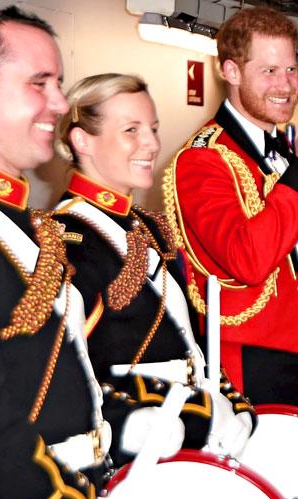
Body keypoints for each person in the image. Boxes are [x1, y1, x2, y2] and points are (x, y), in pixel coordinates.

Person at [0, 7, 146, 499]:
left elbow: (68, 378)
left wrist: (129, 423)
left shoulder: (29, 227)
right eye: (39, 84)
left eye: (59, 83)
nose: (59, 102)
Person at [52, 73, 256, 461]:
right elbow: (55, 374)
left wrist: (234, 404)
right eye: (132, 130)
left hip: (185, 439)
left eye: (153, 129)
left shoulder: (148, 228)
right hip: (127, 458)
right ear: (82, 141)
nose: (152, 143)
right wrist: (126, 421)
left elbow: (190, 344)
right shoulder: (64, 240)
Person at [162, 6, 298, 408]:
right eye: (270, 71)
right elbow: (248, 259)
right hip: (242, 367)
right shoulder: (201, 159)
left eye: (292, 69)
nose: (287, 84)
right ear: (232, 71)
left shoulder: (283, 151)